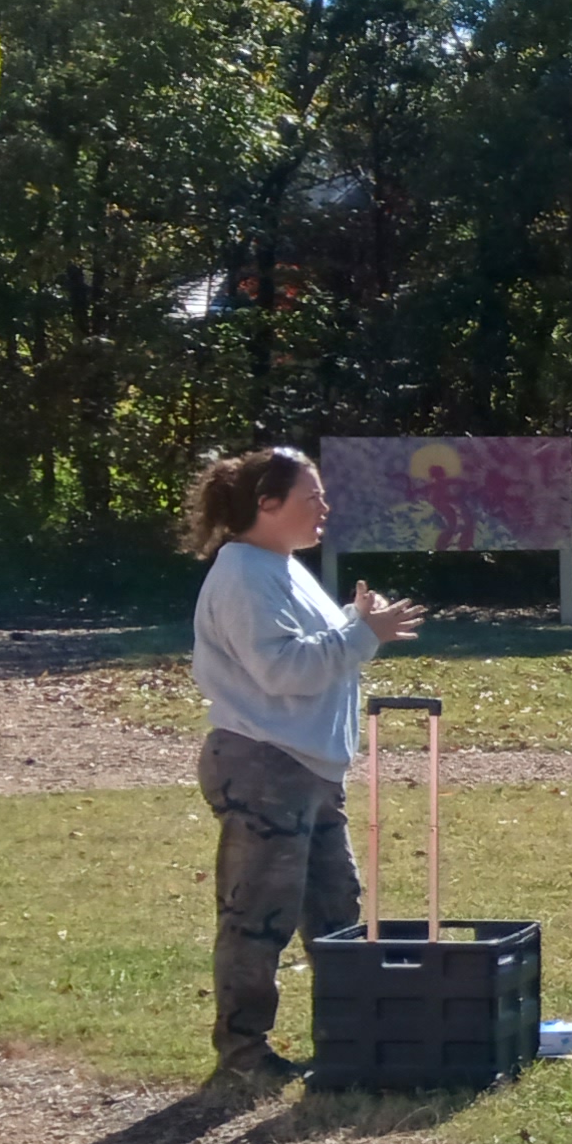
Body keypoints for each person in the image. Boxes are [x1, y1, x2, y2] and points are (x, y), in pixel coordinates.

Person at [187, 447, 425, 1085]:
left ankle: (350, 1040)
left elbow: (314, 654)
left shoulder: (281, 567)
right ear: (267, 504)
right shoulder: (242, 573)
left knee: (334, 911)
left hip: (309, 769)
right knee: (258, 917)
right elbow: (281, 669)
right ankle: (242, 1059)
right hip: (266, 767)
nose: (324, 507)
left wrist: (354, 623)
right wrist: (360, 633)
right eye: (310, 496)